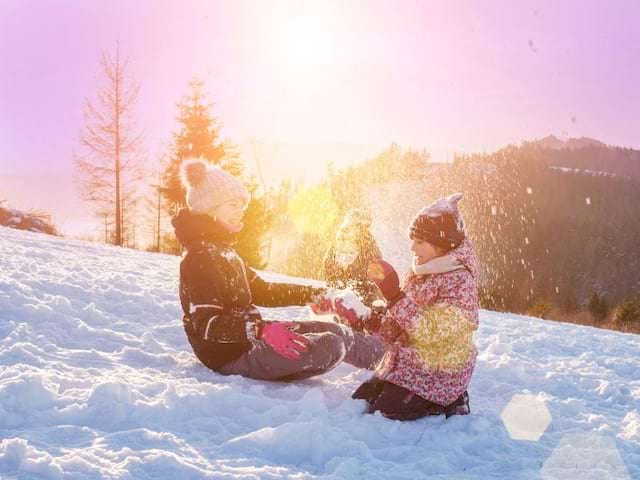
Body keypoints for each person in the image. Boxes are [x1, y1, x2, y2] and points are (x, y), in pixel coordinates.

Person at [172, 158, 384, 381]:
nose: (241, 212)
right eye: (233, 205)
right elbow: (207, 324)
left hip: (252, 339)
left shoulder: (224, 252)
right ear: (209, 208)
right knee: (330, 345)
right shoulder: (200, 257)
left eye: (242, 207)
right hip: (229, 355)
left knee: (336, 331)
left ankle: (393, 359)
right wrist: (261, 331)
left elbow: (263, 290)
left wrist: (317, 294)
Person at [352, 193, 479, 421]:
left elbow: (431, 332)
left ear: (442, 245)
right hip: (408, 362)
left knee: (385, 411)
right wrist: (368, 320)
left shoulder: (460, 282)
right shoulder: (419, 271)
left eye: (420, 241)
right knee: (363, 400)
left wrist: (395, 297)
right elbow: (401, 326)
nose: (412, 247)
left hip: (440, 372)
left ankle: (452, 399)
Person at [323, 209, 382, 306]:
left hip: (351, 295)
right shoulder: (365, 243)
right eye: (360, 225)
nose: (364, 228)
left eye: (365, 226)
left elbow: (376, 271)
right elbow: (329, 264)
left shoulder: (368, 244)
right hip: (350, 294)